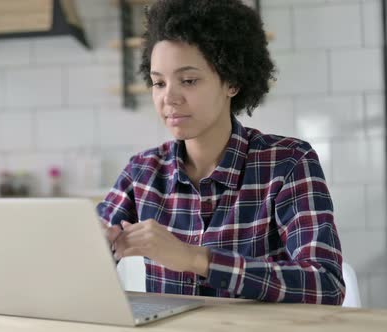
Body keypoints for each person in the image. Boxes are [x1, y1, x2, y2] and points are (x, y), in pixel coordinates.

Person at [96, 0, 344, 305]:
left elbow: (326, 285)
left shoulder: (289, 162)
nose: (168, 98)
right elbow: (81, 257)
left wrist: (195, 258)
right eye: (158, 82)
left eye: (188, 80)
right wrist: (95, 245)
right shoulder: (142, 172)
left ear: (233, 82)